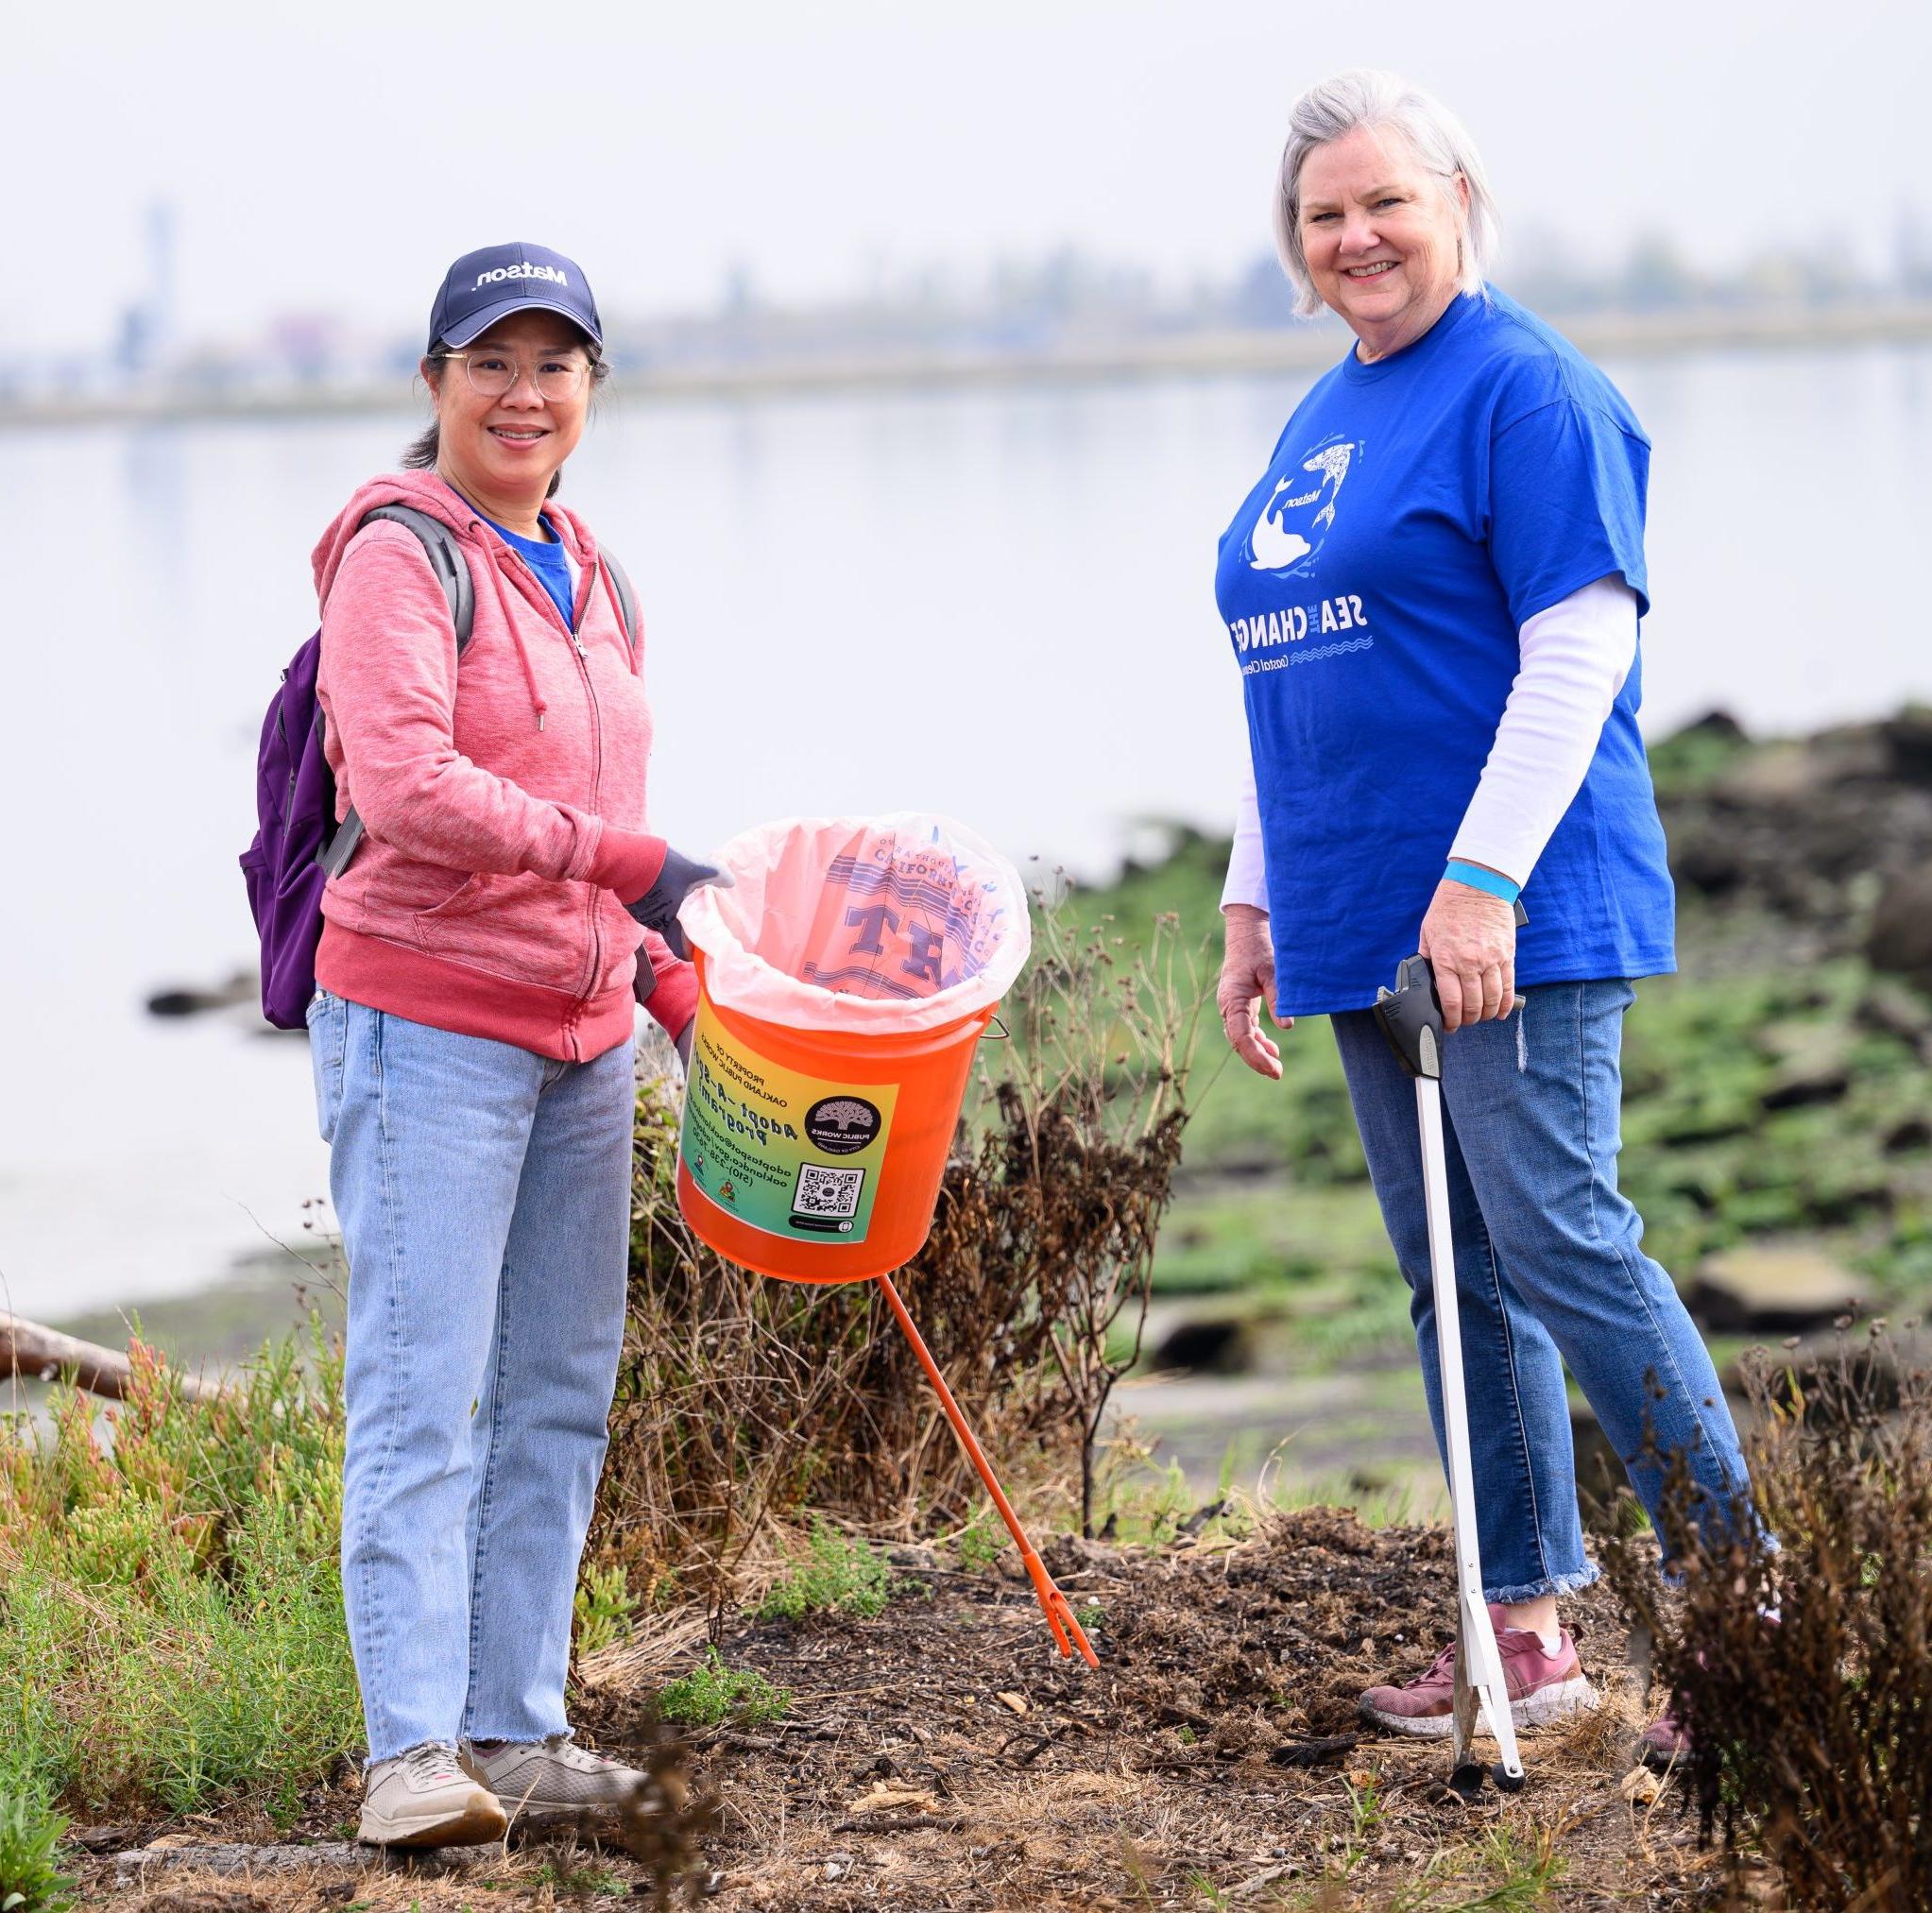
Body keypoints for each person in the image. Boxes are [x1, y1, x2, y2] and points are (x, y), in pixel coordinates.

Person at [1213, 72, 1749, 1760]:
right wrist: (1251, 893)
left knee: (1563, 1246)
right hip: (1360, 914)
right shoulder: (1325, 411)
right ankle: (1522, 1638)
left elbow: (1580, 643)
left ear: (1458, 200)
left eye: (1383, 200)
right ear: (1293, 250)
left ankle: (1753, 1624)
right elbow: (1295, 671)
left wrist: (1483, 875)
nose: (1353, 235)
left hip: (1512, 908)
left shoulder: (1526, 387)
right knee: (1458, 1281)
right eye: (1321, 215)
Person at [307, 242, 720, 1846]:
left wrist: (673, 991)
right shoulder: (400, 555)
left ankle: (518, 1729)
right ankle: (408, 1756)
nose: (523, 392)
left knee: (556, 1389)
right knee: (424, 1397)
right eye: (490, 362)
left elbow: (598, 836)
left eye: (556, 365)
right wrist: (635, 870)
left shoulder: (595, 573)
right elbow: (406, 787)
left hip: (581, 1036)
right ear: (436, 387)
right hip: (426, 1030)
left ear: (592, 391)